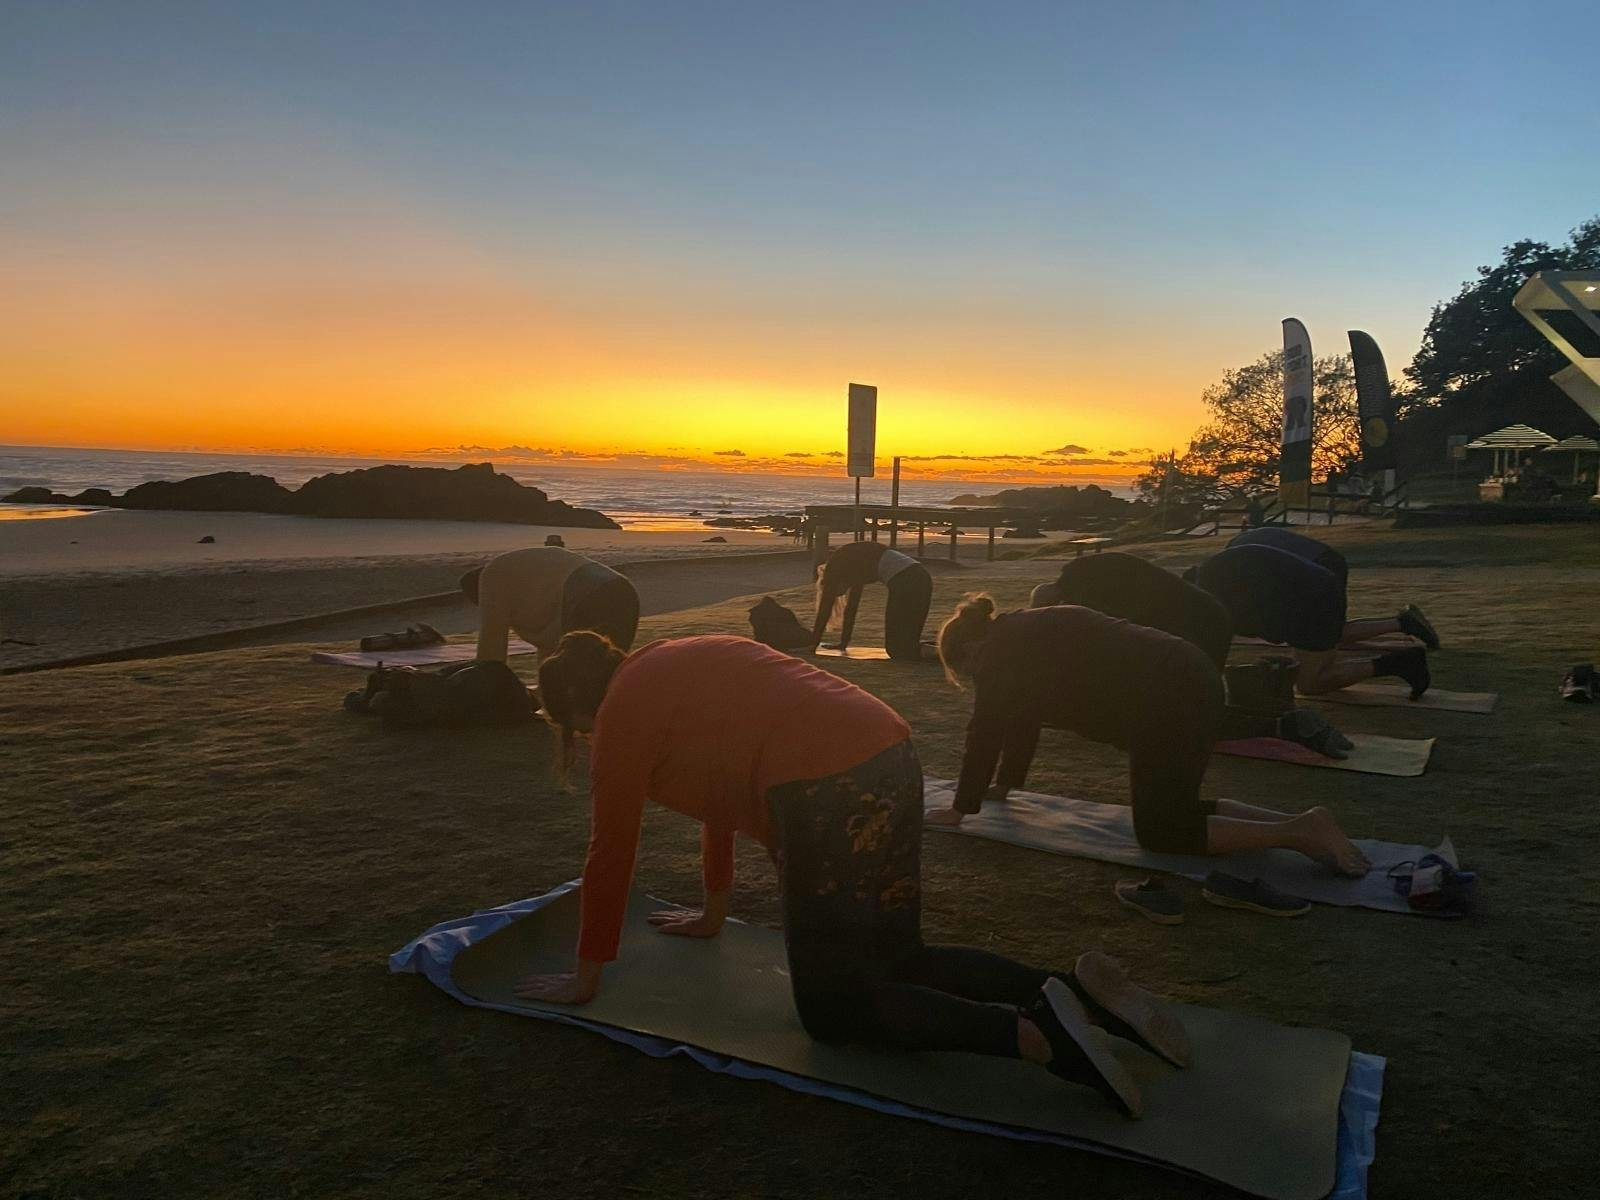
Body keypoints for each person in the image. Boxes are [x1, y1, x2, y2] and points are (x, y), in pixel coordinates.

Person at [512, 632, 1196, 1118]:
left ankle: (1030, 1039)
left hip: (824, 786)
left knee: (836, 1008)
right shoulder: (674, 664)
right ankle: (1069, 992)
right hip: (890, 755)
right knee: (899, 954)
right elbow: (717, 799)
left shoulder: (623, 709)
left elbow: (611, 848)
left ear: (577, 707)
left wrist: (587, 972)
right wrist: (714, 910)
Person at [929, 596, 1370, 877]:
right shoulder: (1023, 629)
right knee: (1179, 806)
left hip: (1166, 698)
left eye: (967, 674)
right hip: (1190, 675)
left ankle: (1296, 831)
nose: (974, 681)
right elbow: (1018, 722)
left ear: (970, 651)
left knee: (1161, 829)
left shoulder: (1002, 654)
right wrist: (1006, 785)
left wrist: (960, 809)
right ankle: (1301, 824)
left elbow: (985, 731)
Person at [1187, 542, 1437, 697]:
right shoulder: (1218, 568)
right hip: (1317, 588)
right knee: (1329, 636)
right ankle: (1402, 623)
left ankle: (1398, 663)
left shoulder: (1213, 587)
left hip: (1310, 601)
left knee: (1310, 683)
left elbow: (1237, 628)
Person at [1029, 552, 1233, 669]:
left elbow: (1102, 629)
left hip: (1192, 619)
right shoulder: (1080, 574)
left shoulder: (1081, 587)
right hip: (1207, 613)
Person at [461, 546, 640, 662]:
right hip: (623, 589)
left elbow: (492, 647)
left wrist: (486, 682)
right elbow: (549, 651)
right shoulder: (527, 580)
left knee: (586, 673)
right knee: (610, 669)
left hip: (585, 590)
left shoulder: (491, 577)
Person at [811, 539, 934, 660]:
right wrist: (844, 642)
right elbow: (850, 608)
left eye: (834, 592)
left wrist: (813, 643)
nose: (838, 595)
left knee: (897, 650)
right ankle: (946, 649)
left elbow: (843, 608)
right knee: (907, 643)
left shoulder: (842, 564)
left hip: (907, 580)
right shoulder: (847, 563)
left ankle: (945, 652)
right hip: (921, 576)